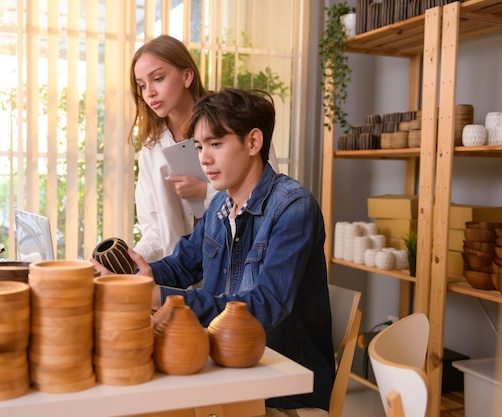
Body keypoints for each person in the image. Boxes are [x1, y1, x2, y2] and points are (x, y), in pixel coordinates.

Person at [98, 88, 335, 416]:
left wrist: (159, 298)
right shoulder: (221, 205)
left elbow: (265, 306)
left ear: (253, 142)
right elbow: (183, 265)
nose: (204, 159)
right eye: (198, 146)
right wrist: (138, 275)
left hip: (281, 387)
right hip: (227, 369)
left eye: (215, 144)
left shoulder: (293, 208)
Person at [128, 34, 213, 262]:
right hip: (179, 276)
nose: (149, 92)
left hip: (229, 273)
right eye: (142, 85)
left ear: (187, 76)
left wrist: (206, 192)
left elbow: (265, 195)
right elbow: (154, 227)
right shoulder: (152, 149)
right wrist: (132, 260)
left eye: (158, 78)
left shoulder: (231, 123)